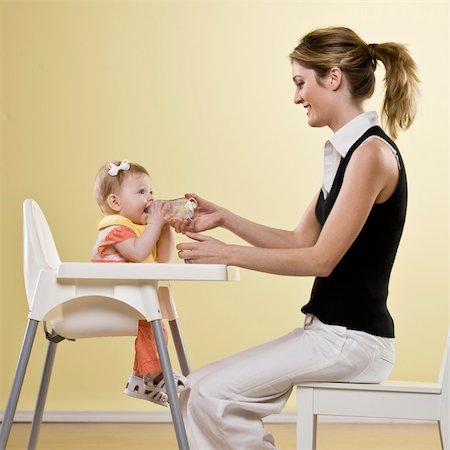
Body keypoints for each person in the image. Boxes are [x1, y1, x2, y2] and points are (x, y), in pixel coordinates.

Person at [173, 26, 419, 449]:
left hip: (352, 340)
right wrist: (224, 219)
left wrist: (228, 255)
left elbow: (320, 260)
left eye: (301, 83)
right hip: (328, 334)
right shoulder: (349, 153)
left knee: (212, 396)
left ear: (334, 78)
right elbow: (298, 240)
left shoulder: (371, 155)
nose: (296, 97)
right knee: (194, 389)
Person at [92, 160, 189, 407]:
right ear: (115, 203)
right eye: (141, 192)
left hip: (125, 297)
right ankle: (154, 374)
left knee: (156, 323)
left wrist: (164, 226)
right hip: (104, 299)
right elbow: (137, 253)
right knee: (152, 322)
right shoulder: (115, 230)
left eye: (151, 191)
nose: (150, 198)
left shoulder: (135, 229)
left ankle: (140, 379)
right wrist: (154, 224)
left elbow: (162, 259)